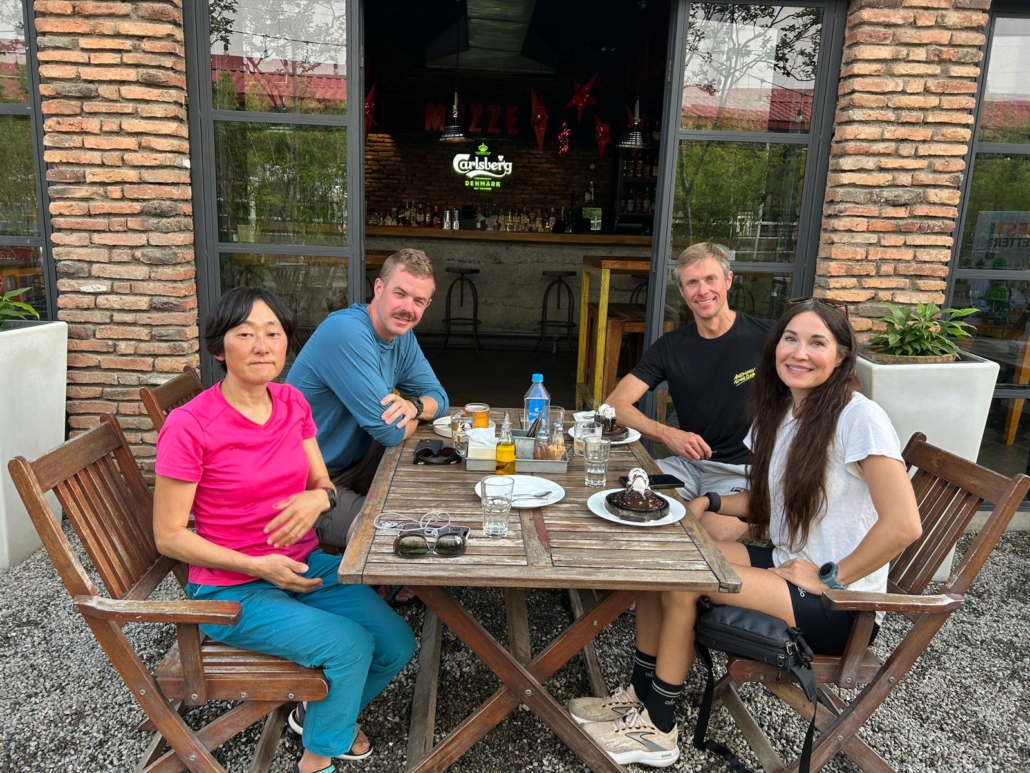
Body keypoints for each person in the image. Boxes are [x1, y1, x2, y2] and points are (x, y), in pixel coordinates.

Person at [566, 299, 923, 768]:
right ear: (774, 347)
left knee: (685, 579)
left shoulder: (860, 417)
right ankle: (637, 693)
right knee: (668, 556)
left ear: (841, 356)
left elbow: (903, 524)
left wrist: (833, 578)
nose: (799, 352)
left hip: (838, 605)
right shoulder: (783, 412)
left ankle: (658, 729)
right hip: (787, 565)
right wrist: (708, 503)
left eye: (818, 342)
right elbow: (768, 502)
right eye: (790, 339)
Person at [153, 287, 416, 773]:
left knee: (397, 645)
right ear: (218, 347)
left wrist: (320, 497)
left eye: (273, 333)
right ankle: (317, 761)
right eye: (245, 333)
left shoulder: (292, 401)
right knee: (351, 645)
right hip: (232, 590)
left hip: (303, 566)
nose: (262, 345)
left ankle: (318, 717)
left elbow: (322, 482)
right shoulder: (190, 425)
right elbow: (168, 536)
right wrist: (259, 565)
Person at [605, 243, 772, 541]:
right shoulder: (671, 346)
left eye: (710, 280)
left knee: (703, 540)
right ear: (682, 292)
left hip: (744, 475)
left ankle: (760, 526)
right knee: (621, 505)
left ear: (728, 281)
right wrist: (668, 434)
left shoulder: (766, 338)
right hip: (687, 467)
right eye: (692, 283)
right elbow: (614, 404)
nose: (703, 290)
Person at [287, 248, 449, 549]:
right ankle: (385, 584)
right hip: (305, 483)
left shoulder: (401, 335)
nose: (407, 308)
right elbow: (389, 431)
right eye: (400, 294)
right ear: (378, 288)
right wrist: (417, 414)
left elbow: (440, 399)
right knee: (391, 531)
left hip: (354, 464)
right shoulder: (346, 332)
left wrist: (413, 406)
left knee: (437, 483)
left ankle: (397, 580)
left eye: (418, 301)